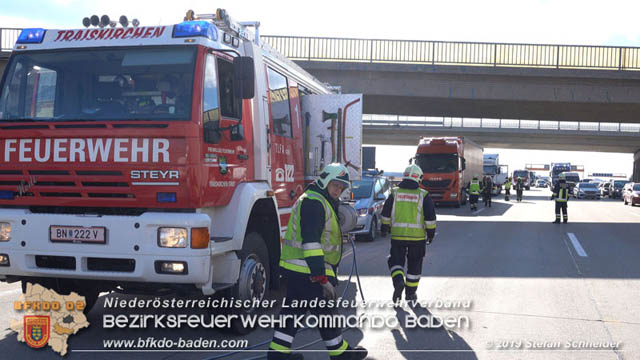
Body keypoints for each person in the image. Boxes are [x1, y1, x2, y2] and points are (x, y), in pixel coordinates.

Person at [268, 163, 368, 360]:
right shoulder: (315, 203)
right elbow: (311, 243)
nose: (338, 191)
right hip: (308, 271)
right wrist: (321, 278)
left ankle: (278, 354)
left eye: (341, 188)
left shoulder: (318, 200)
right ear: (324, 181)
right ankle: (340, 354)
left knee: (295, 312)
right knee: (326, 311)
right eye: (335, 185)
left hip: (298, 269)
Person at [380, 164, 437, 303]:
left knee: (395, 261)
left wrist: (384, 228)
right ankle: (410, 294)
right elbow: (430, 217)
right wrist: (431, 234)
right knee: (415, 265)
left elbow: (386, 213)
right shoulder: (423, 195)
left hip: (397, 236)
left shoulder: (394, 193)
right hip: (417, 239)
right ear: (419, 178)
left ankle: (398, 281)